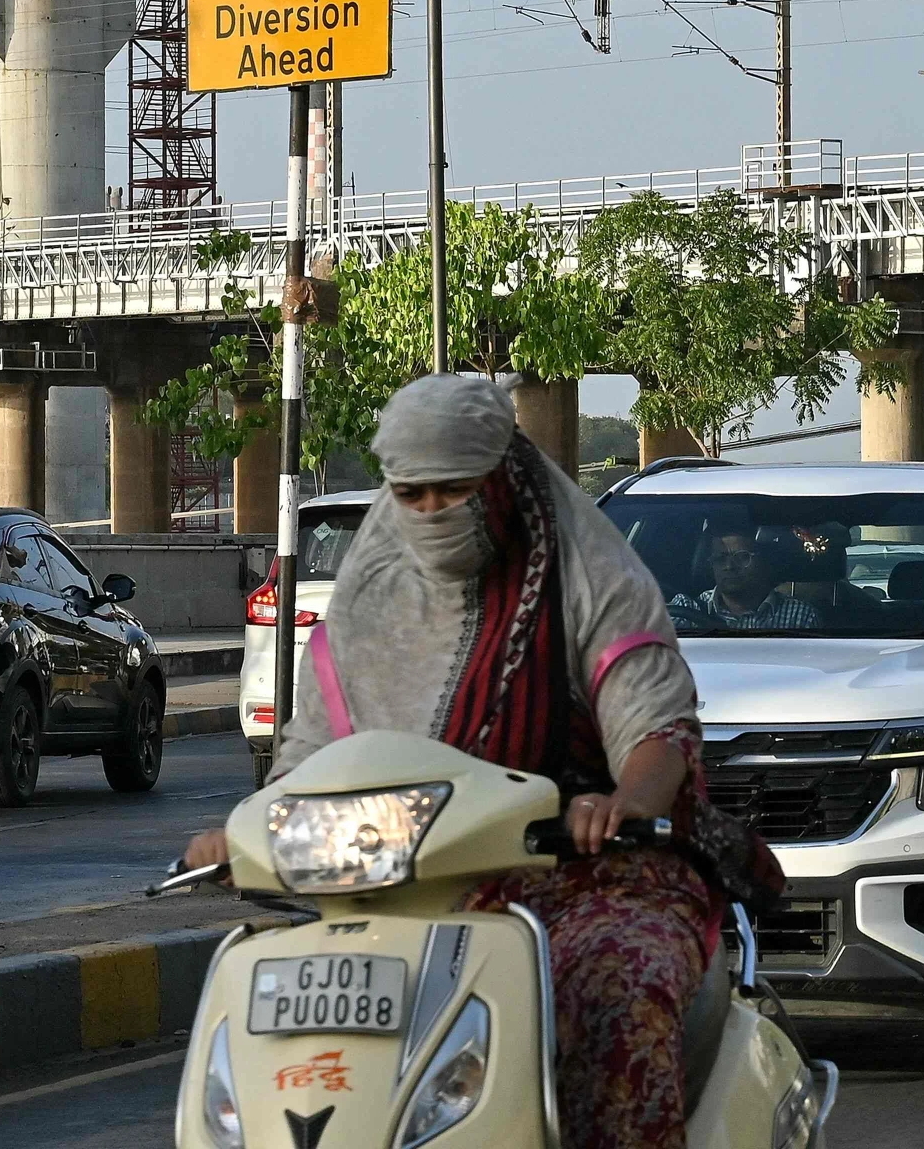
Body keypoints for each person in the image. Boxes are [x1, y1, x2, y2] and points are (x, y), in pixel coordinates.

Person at [179, 377, 761, 1149]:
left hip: (584, 871)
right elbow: (308, 761)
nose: (429, 515)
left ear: (501, 477)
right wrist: (246, 833)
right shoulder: (365, 604)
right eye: (411, 494)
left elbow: (656, 731)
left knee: (619, 992)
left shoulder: (593, 580)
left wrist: (620, 803)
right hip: (401, 890)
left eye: (453, 492)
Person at [692, 528, 822, 630]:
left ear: (763, 562)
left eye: (742, 557)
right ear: (710, 565)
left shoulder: (799, 617)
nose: (729, 566)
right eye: (720, 559)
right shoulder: (689, 608)